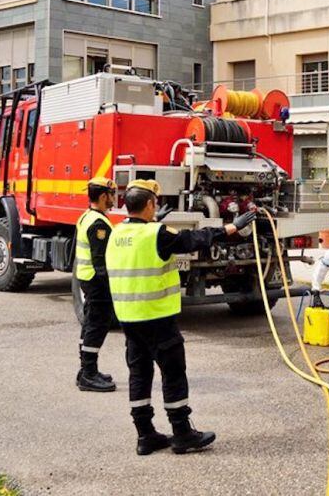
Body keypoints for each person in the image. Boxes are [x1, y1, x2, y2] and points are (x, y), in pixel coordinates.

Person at [106, 179, 255, 456]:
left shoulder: (116, 233)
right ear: (150, 205)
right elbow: (194, 239)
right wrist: (231, 227)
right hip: (158, 317)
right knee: (173, 373)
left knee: (140, 374)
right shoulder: (156, 234)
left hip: (129, 318)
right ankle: (182, 433)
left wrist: (155, 224)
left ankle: (145, 435)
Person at [75, 177, 119, 393]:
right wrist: (110, 286)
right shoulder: (98, 224)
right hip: (96, 280)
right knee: (97, 325)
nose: (113, 199)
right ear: (103, 196)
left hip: (87, 277)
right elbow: (101, 261)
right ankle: (89, 374)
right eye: (111, 195)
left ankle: (85, 370)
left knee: (90, 324)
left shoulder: (88, 217)